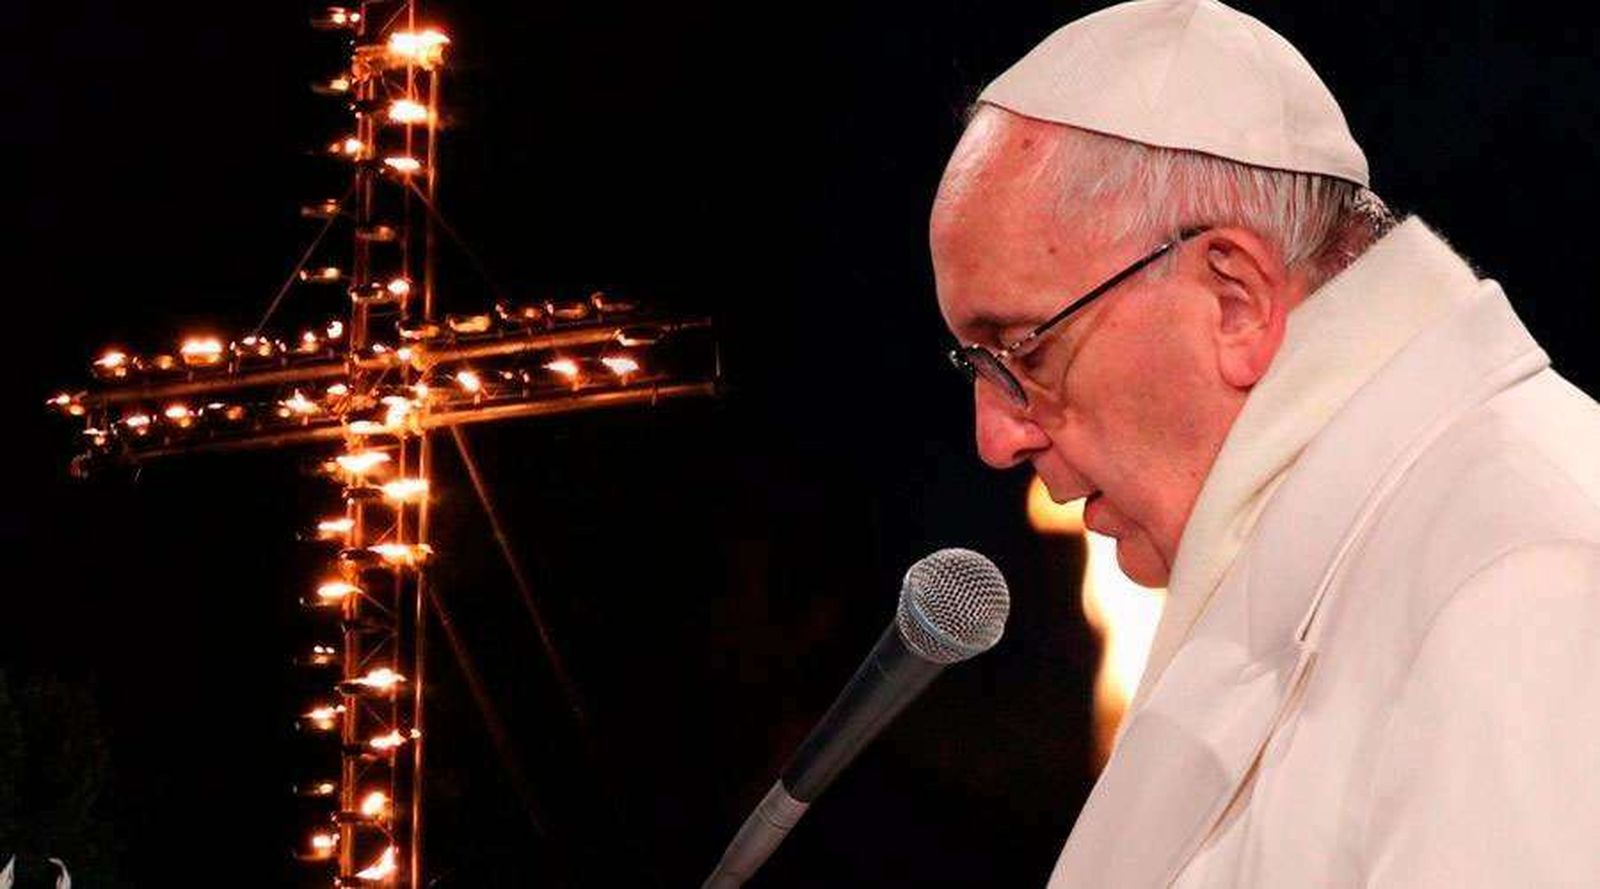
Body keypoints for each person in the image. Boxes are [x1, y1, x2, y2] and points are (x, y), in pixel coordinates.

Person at [930, 1, 1600, 886]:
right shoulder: (1346, 543)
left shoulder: (1521, 568)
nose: (994, 435)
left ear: (1235, 299)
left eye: (1022, 349)